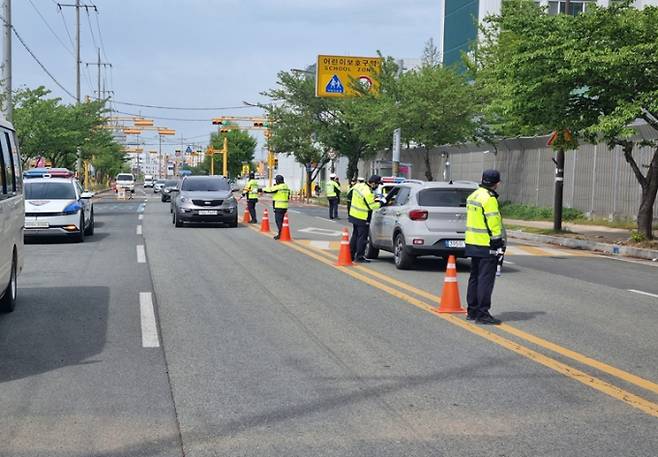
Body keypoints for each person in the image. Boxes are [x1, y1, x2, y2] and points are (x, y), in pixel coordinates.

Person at [465, 169, 505, 325]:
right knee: (485, 280)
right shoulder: (489, 199)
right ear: (497, 183)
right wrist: (497, 240)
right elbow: (493, 221)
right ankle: (483, 313)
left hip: (472, 242)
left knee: (474, 277)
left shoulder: (473, 195)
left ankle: (472, 311)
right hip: (486, 244)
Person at [349, 175, 382, 263]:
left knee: (355, 235)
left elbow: (349, 194)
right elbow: (372, 206)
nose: (378, 186)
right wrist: (381, 203)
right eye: (377, 184)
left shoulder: (359, 185)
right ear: (373, 183)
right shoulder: (368, 192)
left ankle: (351, 255)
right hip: (362, 216)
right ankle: (359, 257)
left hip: (353, 214)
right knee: (362, 238)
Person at [262, 175, 291, 239]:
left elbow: (270, 190)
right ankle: (282, 233)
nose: (276, 181)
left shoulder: (278, 187)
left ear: (278, 180)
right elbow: (288, 196)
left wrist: (261, 189)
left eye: (276, 180)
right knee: (282, 221)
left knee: (278, 221)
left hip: (278, 206)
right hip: (285, 206)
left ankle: (281, 234)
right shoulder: (286, 187)